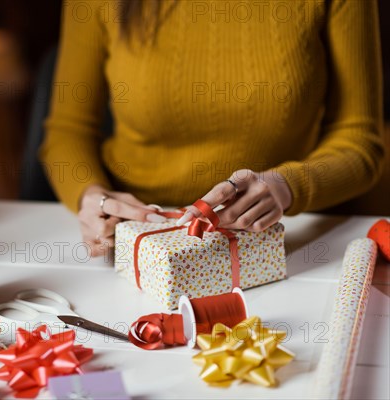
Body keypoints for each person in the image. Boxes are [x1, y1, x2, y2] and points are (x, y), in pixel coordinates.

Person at [40, 0, 385, 257]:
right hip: (133, 237)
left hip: (278, 237)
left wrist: (288, 186)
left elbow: (359, 140)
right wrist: (91, 196)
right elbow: (68, 132)